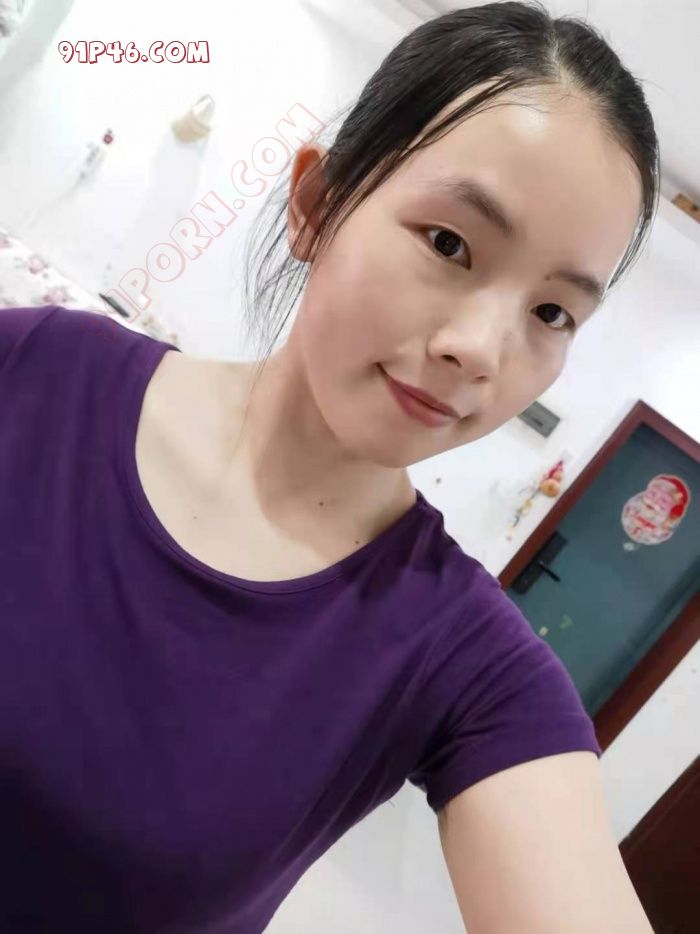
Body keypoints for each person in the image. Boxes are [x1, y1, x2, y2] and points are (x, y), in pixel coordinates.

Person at [0, 2, 658, 931]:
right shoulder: (31, 375)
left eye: (552, 313)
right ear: (317, 206)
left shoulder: (464, 660)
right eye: (450, 244)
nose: (480, 349)